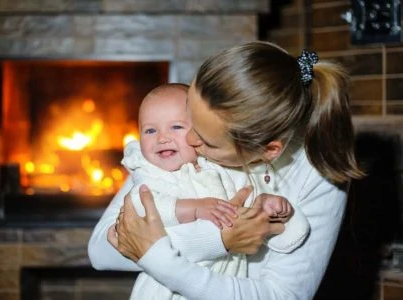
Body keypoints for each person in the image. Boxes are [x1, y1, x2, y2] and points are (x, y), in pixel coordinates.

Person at [88, 41, 364, 299]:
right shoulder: (172, 149)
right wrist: (217, 240)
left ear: (269, 150)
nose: (189, 141)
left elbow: (283, 295)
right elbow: (103, 249)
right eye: (188, 120)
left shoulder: (316, 172)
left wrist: (161, 258)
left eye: (206, 141)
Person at [106, 83, 309, 299]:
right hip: (165, 290)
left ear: (200, 132)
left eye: (176, 127)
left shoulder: (222, 167)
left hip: (225, 281)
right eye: (150, 130)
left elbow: (250, 216)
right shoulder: (150, 172)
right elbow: (141, 205)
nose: (161, 138)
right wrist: (194, 209)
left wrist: (267, 206)